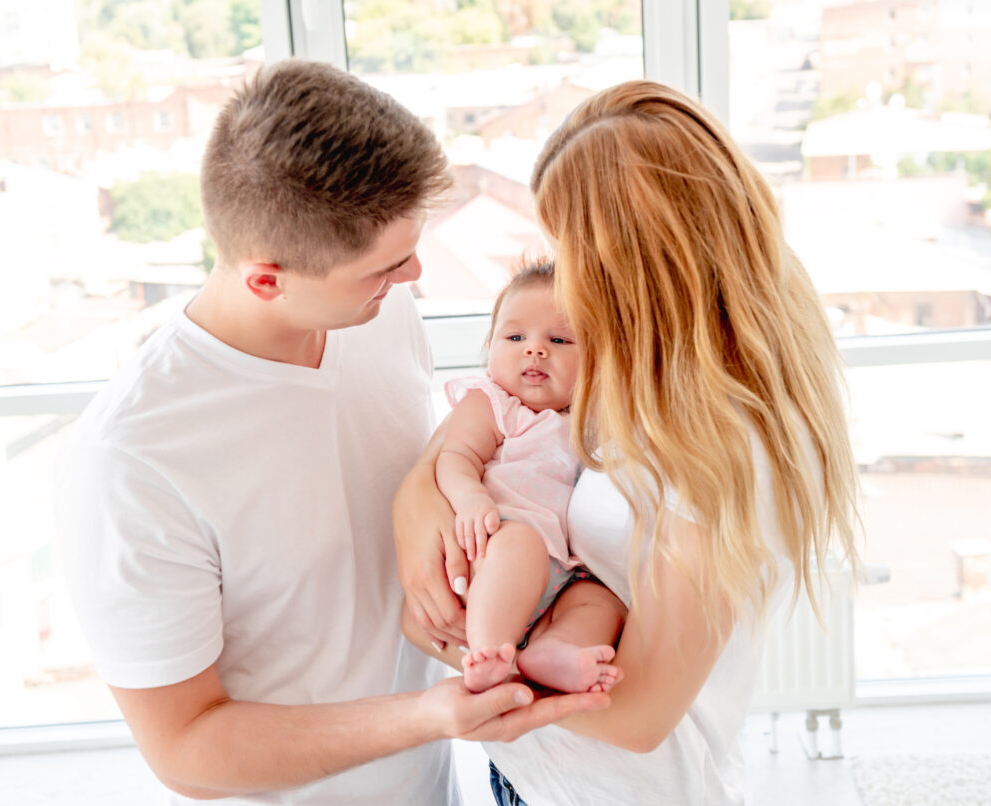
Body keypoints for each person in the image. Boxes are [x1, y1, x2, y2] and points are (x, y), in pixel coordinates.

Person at [54, 59, 609, 806]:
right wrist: (424, 716)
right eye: (384, 265)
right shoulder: (131, 460)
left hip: (432, 786)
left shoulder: (375, 317)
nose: (413, 273)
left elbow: (424, 467)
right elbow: (184, 750)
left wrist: (427, 504)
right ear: (266, 278)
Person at [395, 80, 861, 805]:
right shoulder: (637, 375)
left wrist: (465, 647)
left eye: (574, 246)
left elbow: (640, 714)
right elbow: (485, 430)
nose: (564, 273)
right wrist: (417, 504)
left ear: (639, 259)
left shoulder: (722, 444)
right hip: (541, 768)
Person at [434, 259, 627, 694]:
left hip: (559, 569)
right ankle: (488, 653)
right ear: (491, 344)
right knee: (521, 543)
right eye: (515, 337)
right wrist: (469, 499)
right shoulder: (493, 404)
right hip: (496, 548)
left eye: (559, 340)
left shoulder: (588, 419)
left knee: (603, 601)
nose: (535, 350)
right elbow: (456, 457)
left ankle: (553, 651)